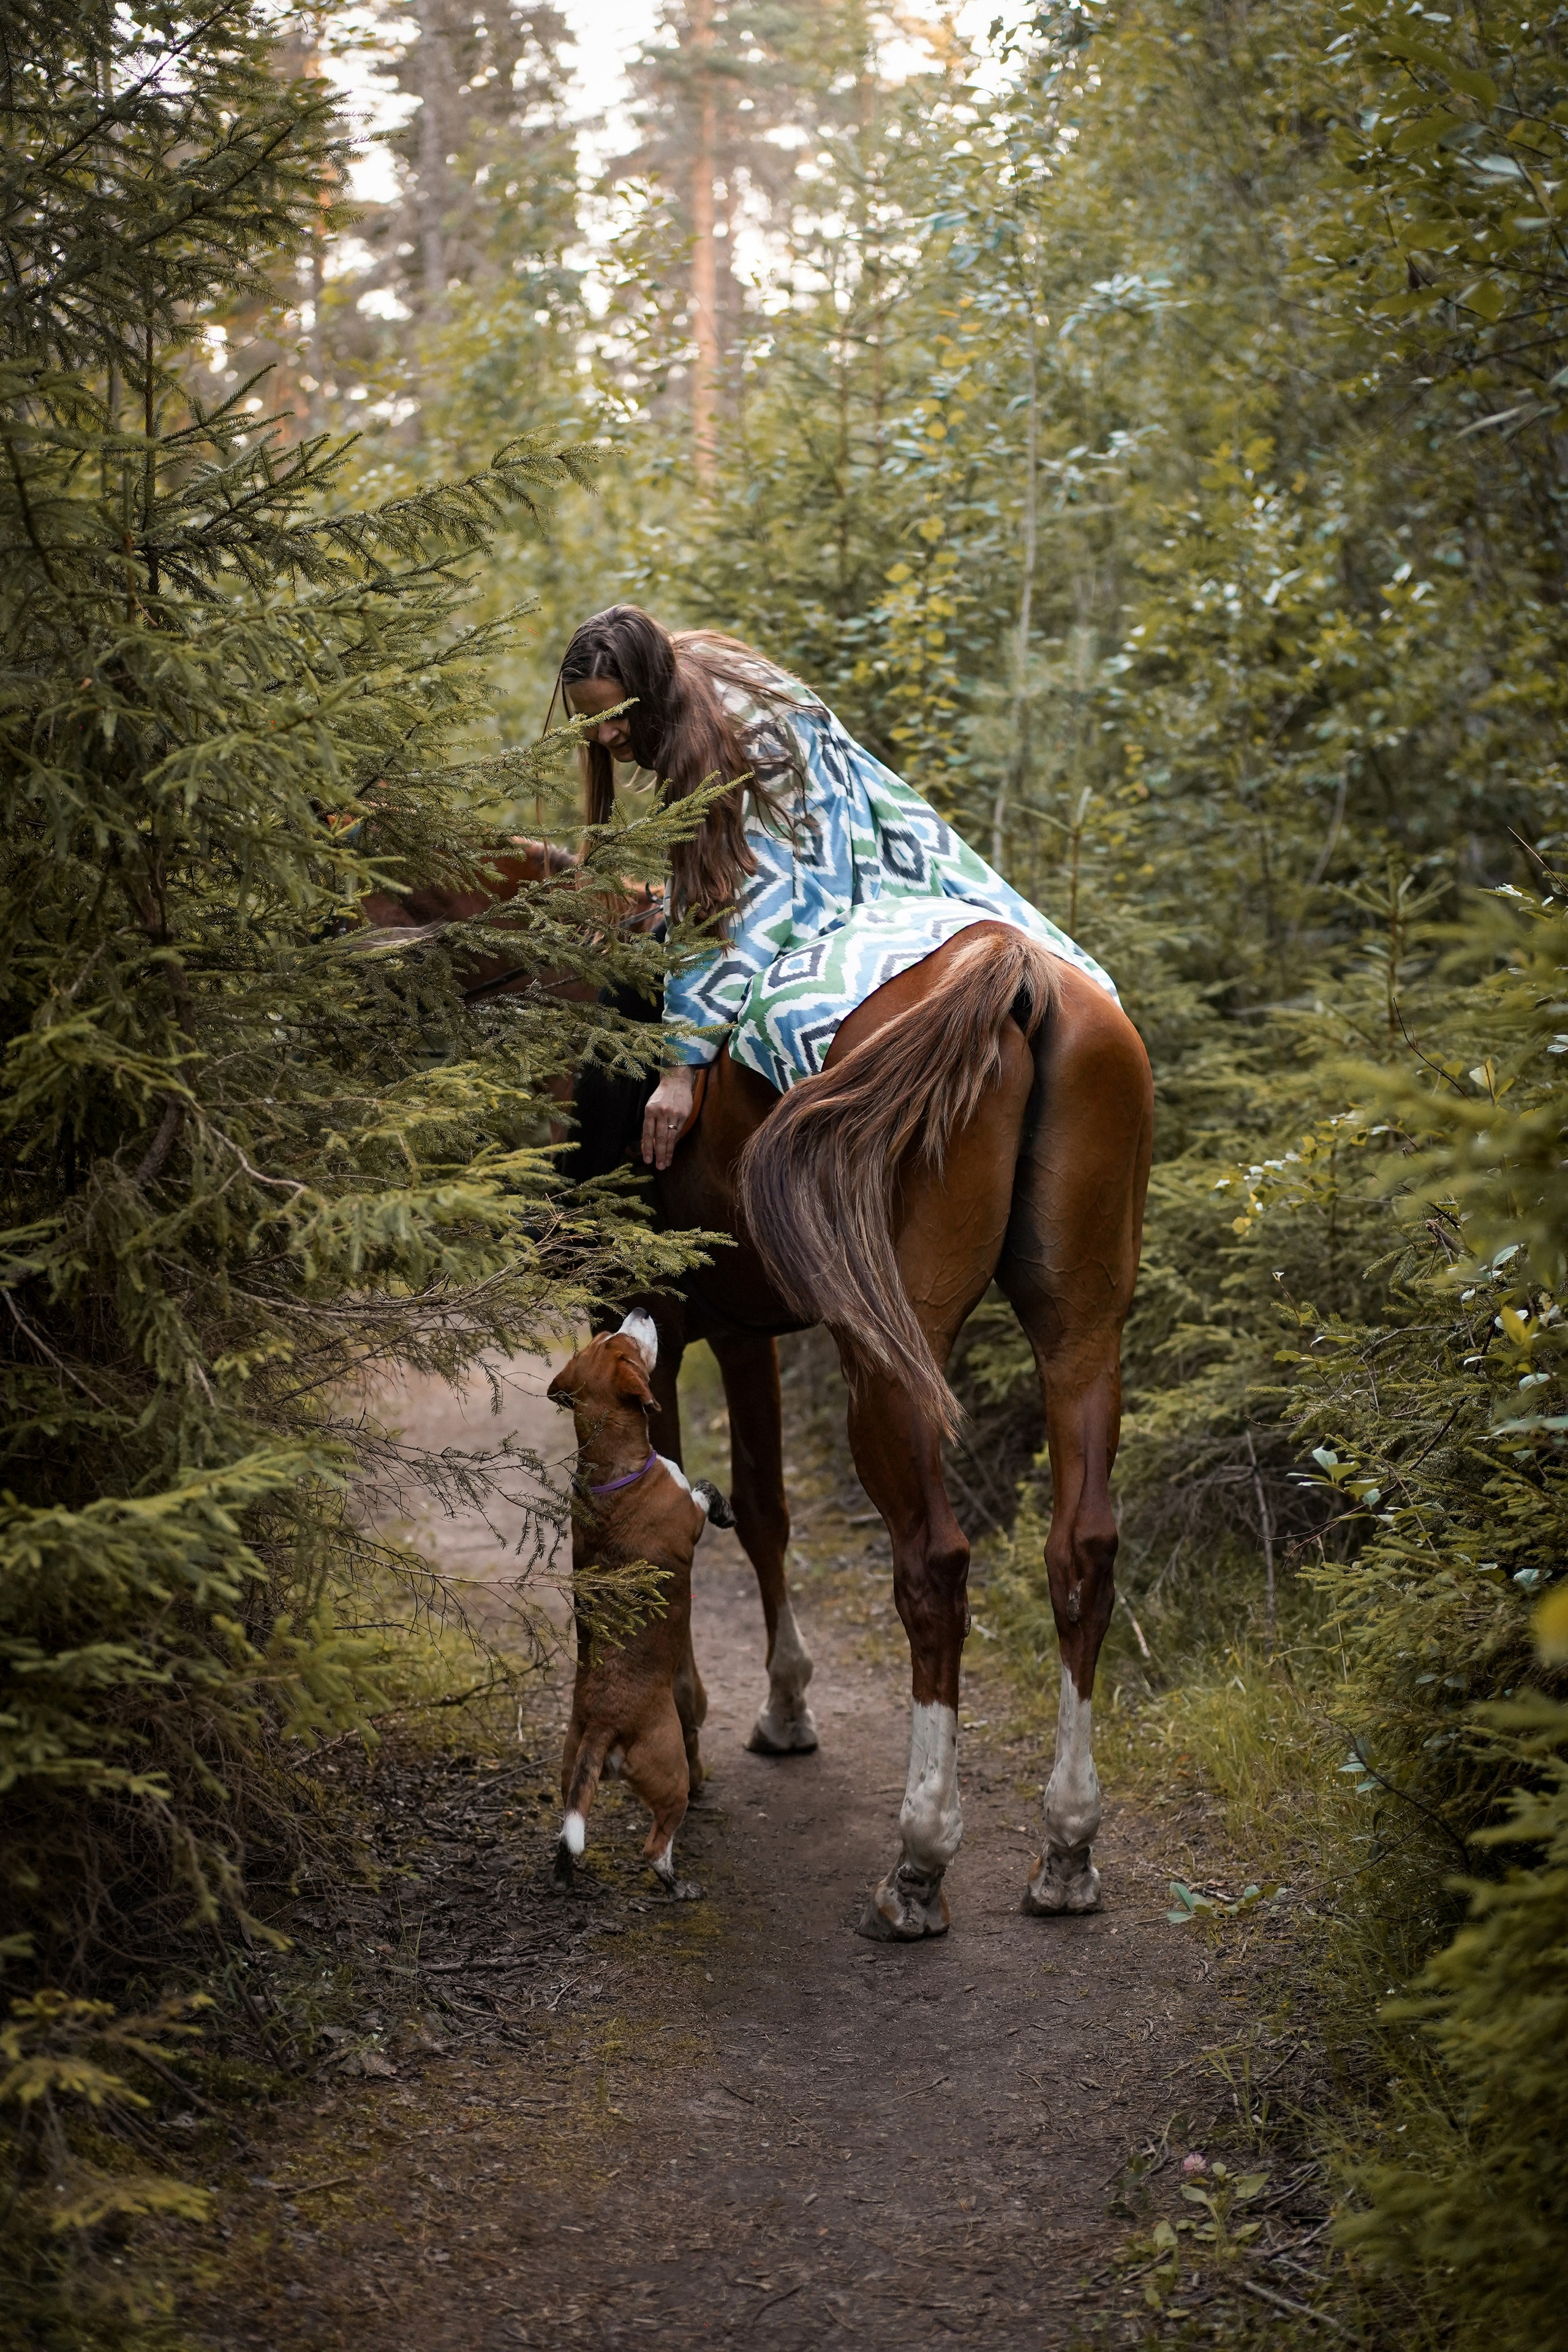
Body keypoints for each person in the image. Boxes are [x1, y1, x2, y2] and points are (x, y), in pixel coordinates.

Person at [557, 605, 1117, 1173]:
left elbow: (752, 892)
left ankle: (576, 1206)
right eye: (589, 720)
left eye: (616, 714)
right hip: (847, 845)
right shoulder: (697, 674)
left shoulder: (727, 736)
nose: (604, 736)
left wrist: (681, 1065)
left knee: (626, 996)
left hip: (825, 882)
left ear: (649, 688)